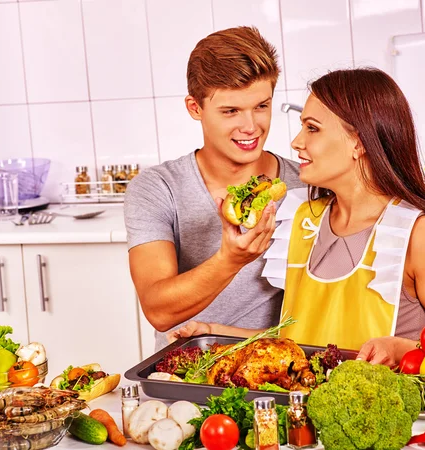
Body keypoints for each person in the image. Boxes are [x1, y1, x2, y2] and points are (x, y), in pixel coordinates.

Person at [169, 68, 425, 366]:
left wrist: (404, 350)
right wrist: (215, 333)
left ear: (358, 143)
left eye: (312, 128)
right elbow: (300, 344)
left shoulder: (422, 236)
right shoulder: (301, 221)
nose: (297, 142)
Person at [123, 26, 305, 350]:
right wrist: (230, 259)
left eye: (261, 106)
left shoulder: (305, 183)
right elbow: (158, 309)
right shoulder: (156, 188)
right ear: (195, 108)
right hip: (184, 376)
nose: (251, 127)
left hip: (279, 372)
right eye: (230, 111)